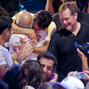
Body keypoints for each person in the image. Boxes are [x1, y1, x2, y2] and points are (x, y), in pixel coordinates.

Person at [48, 2, 89, 81]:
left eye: (67, 19)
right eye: (61, 20)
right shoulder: (57, 36)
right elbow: (51, 62)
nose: (64, 23)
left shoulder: (88, 30)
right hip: (65, 81)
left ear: (75, 16)